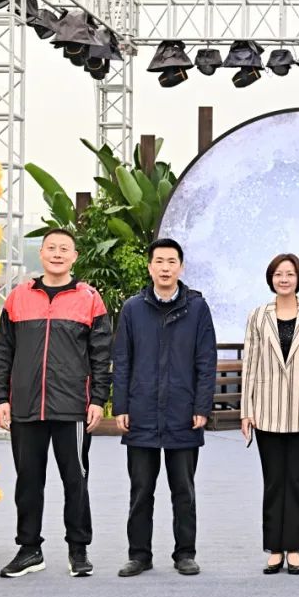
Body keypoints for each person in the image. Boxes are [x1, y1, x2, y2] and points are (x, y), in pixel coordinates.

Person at [0, 228, 113, 578]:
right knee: (28, 481)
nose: (57, 254)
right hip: (26, 405)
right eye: (51, 248)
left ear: (74, 257)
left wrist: (98, 399)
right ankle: (29, 549)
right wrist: (0, 397)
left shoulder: (89, 298)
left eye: (64, 249)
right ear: (41, 254)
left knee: (75, 479)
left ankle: (78, 549)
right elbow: (2, 351)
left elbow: (101, 354)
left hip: (72, 406)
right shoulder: (18, 297)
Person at [112, 238, 216, 578]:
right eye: (159, 261)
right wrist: (121, 405)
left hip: (182, 412)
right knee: (141, 490)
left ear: (181, 267)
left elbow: (206, 361)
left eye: (172, 261)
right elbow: (122, 360)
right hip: (141, 411)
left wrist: (202, 405)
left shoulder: (197, 308)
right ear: (150, 267)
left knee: (183, 490)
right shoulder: (132, 309)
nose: (165, 268)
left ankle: (185, 553)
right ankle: (139, 555)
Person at [241, 253, 299, 575]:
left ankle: (294, 548)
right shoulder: (257, 315)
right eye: (278, 274)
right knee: (273, 481)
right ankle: (274, 549)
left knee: (297, 480)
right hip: (267, 411)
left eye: (289, 274)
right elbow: (250, 365)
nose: (284, 279)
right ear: (271, 278)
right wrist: (246, 411)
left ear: (298, 278)